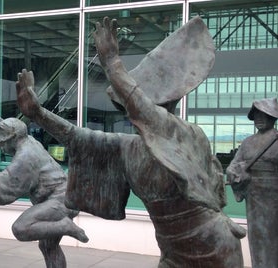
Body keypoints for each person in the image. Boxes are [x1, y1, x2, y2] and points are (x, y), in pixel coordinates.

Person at [15, 16, 245, 267]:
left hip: (212, 246)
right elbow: (76, 136)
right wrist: (38, 113)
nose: (129, 109)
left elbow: (147, 113)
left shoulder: (186, 133)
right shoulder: (129, 148)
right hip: (172, 247)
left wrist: (113, 64)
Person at [0, 107, 88, 268]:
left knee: (21, 228)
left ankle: (64, 225)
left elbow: (3, 189)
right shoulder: (27, 140)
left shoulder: (25, 156)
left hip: (60, 201)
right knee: (48, 246)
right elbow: (13, 131)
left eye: (1, 139)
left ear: (12, 138)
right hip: (64, 197)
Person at [226, 98, 278, 268]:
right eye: (256, 115)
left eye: (263, 115)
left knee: (275, 239)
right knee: (257, 238)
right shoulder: (247, 143)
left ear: (273, 118)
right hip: (254, 196)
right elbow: (232, 166)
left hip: (275, 197)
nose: (259, 119)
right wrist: (235, 173)